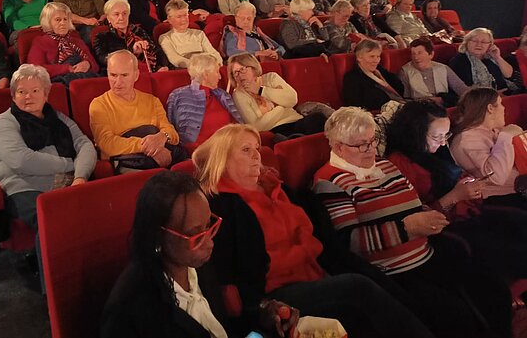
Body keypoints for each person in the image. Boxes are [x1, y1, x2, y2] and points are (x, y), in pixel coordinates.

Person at [194, 124, 437, 338]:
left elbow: (325, 242)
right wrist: (258, 309)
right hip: (275, 295)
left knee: (372, 279)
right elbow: (224, 276)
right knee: (358, 287)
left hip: (316, 272)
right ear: (222, 158)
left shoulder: (281, 190)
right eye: (246, 150)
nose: (256, 155)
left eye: (257, 148)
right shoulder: (219, 205)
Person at [313, 107, 512, 338]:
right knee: (457, 317)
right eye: (362, 145)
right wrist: (408, 228)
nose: (372, 149)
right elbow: (350, 242)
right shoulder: (330, 182)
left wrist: (431, 216)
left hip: (428, 253)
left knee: (494, 289)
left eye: (373, 140)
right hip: (394, 271)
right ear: (339, 147)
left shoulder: (385, 166)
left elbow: (415, 206)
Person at [102, 170, 302, 338]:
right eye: (195, 234)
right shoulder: (132, 308)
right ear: (158, 237)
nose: (209, 242)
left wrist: (262, 317)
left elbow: (221, 327)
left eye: (208, 226)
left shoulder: (196, 267)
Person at [386, 100, 527, 281]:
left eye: (446, 135)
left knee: (520, 222)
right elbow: (417, 219)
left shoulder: (436, 151)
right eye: (437, 137)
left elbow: (455, 178)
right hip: (445, 229)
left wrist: (469, 186)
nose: (443, 143)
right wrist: (456, 195)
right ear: (415, 133)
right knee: (513, 249)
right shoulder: (399, 163)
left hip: (468, 211)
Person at [0, 63, 97, 233]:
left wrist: (80, 177)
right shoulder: (5, 121)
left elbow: (85, 145)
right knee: (52, 221)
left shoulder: (58, 118)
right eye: (21, 92)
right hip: (25, 188)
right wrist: (70, 164)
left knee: (100, 211)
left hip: (68, 182)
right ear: (13, 96)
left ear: (46, 94)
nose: (28, 96)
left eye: (35, 90)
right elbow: (22, 160)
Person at [89, 50, 184, 171]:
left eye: (124, 75)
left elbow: (172, 133)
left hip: (159, 153)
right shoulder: (99, 105)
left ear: (136, 75)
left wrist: (162, 137)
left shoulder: (152, 101)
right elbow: (107, 143)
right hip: (126, 160)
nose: (118, 82)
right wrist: (147, 146)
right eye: (113, 75)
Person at [449, 87, 526, 208]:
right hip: (499, 199)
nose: (504, 108)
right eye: (500, 104)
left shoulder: (492, 131)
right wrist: (506, 137)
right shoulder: (467, 140)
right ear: (490, 108)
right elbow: (497, 177)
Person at [228, 53, 326, 137]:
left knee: (318, 118)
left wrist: (260, 90)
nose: (239, 75)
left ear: (253, 67)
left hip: (295, 120)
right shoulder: (239, 94)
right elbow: (256, 126)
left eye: (242, 69)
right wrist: (281, 106)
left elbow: (293, 100)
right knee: (290, 138)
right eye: (235, 73)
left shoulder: (271, 78)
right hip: (276, 129)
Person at [166, 54, 241, 146]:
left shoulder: (223, 95)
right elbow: (171, 128)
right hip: (199, 149)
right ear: (206, 74)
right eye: (217, 72)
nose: (220, 77)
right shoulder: (178, 96)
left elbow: (238, 123)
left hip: (229, 145)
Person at [27, 2, 99, 84]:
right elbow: (36, 70)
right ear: (48, 22)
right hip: (57, 81)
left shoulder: (76, 40)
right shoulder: (40, 41)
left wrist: (88, 64)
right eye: (58, 20)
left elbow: (96, 66)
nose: (63, 23)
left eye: (65, 19)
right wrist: (67, 68)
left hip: (84, 77)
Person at [93, 0, 167, 72]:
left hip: (150, 71)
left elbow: (156, 50)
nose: (121, 18)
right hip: (121, 74)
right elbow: (103, 59)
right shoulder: (102, 37)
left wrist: (162, 66)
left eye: (124, 13)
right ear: (108, 18)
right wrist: (131, 51)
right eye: (116, 14)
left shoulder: (138, 30)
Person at [399, 38, 468, 105]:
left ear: (431, 54)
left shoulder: (443, 68)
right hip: (419, 109)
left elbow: (462, 89)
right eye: (413, 54)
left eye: (420, 53)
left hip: (443, 107)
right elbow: (403, 99)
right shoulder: (405, 71)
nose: (416, 57)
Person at [342, 39, 403, 110]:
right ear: (359, 57)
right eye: (372, 56)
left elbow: (400, 87)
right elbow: (354, 108)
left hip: (399, 107)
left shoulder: (379, 70)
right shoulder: (352, 78)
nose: (376, 61)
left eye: (378, 56)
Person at [159, 0, 221, 68]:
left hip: (208, 68)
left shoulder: (199, 34)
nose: (183, 19)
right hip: (186, 70)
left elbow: (213, 53)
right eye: (179, 17)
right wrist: (199, 66)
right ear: (169, 19)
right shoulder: (165, 38)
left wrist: (218, 63)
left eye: (185, 15)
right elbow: (175, 59)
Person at [448, 28, 515, 92]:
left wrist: (497, 57)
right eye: (475, 41)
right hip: (481, 97)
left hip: (506, 92)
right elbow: (464, 89)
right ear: (467, 42)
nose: (479, 44)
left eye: (483, 42)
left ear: (490, 45)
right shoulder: (458, 61)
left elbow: (509, 75)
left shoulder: (491, 57)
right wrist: (493, 95)